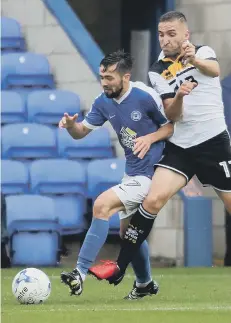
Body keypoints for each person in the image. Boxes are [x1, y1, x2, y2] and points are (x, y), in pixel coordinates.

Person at [89, 11, 231, 286]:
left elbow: (215, 71)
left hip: (214, 143)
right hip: (182, 146)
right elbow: (173, 115)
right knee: (151, 201)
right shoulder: (157, 69)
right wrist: (179, 95)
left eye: (171, 34)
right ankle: (120, 267)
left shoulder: (204, 51)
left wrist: (194, 60)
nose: (165, 40)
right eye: (161, 34)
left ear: (185, 35)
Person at [59, 50, 194, 299]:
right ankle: (144, 284)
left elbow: (171, 125)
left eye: (110, 77)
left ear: (126, 76)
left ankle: (79, 272)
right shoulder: (103, 101)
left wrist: (150, 138)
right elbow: (81, 132)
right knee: (128, 232)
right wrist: (70, 127)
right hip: (132, 172)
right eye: (102, 77)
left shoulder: (145, 96)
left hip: (151, 174)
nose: (104, 82)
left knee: (101, 205)